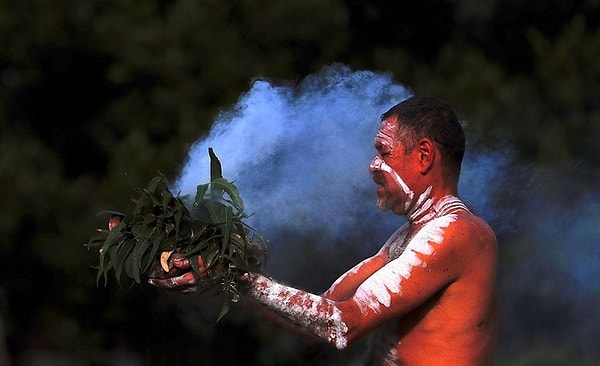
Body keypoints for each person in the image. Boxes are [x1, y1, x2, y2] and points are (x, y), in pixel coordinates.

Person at [148, 96, 499, 365]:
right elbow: (323, 314)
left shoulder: (460, 233)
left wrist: (239, 278)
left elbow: (344, 323)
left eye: (384, 152)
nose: (373, 166)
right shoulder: (406, 240)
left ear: (424, 156)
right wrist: (222, 282)